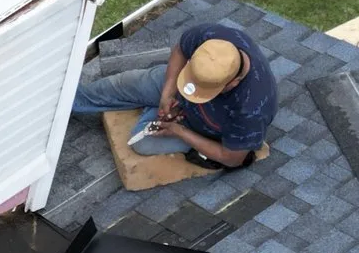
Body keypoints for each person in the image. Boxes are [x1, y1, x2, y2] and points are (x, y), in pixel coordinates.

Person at [73, 23, 278, 169]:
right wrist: (168, 92)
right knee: (120, 84)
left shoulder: (252, 109)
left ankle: (154, 111)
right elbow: (180, 50)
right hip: (177, 88)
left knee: (142, 143)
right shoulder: (214, 39)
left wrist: (179, 131)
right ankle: (65, 104)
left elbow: (232, 158)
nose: (197, 93)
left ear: (233, 82)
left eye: (205, 89)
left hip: (202, 128)